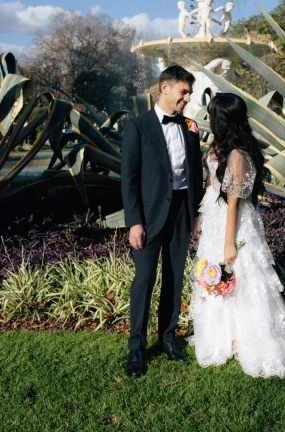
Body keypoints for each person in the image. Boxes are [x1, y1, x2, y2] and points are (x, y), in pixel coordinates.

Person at [187, 93, 285, 378]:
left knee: (243, 280)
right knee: (218, 280)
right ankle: (226, 338)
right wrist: (200, 216)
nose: (208, 118)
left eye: (212, 114)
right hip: (214, 217)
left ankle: (249, 341)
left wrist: (229, 243)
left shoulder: (238, 154)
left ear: (222, 119)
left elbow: (233, 203)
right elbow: (209, 184)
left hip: (233, 224)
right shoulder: (217, 146)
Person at [121, 65, 203, 378]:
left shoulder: (190, 126)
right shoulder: (137, 126)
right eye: (184, 92)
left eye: (189, 92)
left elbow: (195, 172)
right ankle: (136, 349)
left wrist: (195, 213)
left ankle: (168, 339)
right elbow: (129, 179)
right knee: (144, 280)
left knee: (174, 278)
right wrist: (134, 222)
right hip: (149, 215)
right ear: (165, 88)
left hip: (181, 212)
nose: (188, 98)